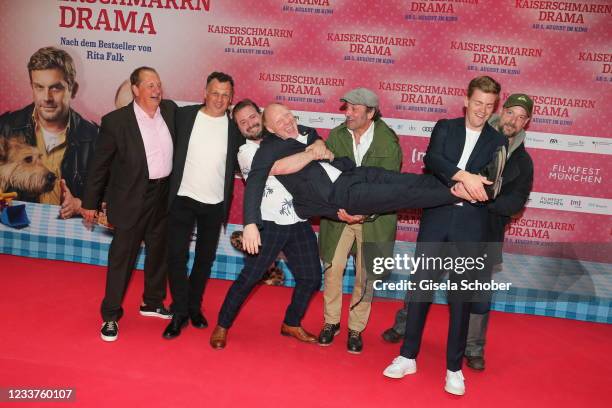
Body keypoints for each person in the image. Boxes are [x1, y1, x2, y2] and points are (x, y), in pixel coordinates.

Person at [381, 94, 534, 373]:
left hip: (485, 235)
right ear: (501, 112)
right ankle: (405, 328)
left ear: (526, 123)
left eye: (521, 117)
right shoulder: (479, 139)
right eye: (510, 112)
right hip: (448, 219)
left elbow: (514, 204)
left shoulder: (523, 162)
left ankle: (473, 348)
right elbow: (440, 168)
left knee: (473, 295)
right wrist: (465, 188)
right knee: (423, 280)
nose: (513, 120)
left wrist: (481, 198)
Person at [241, 103, 478, 256]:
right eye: (279, 121)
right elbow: (255, 181)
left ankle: (461, 181)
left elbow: (319, 149)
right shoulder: (269, 149)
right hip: (341, 195)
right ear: (270, 130)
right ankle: (458, 193)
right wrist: (251, 223)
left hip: (353, 173)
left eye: (287, 115)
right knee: (401, 195)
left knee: (406, 180)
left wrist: (321, 148)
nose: (286, 121)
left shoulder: (307, 131)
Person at [209, 99, 322, 349]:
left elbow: (311, 137)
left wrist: (316, 144)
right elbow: (280, 167)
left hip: (298, 220)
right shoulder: (246, 153)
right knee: (250, 278)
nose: (250, 124)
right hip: (268, 225)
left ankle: (291, 322)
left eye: (252, 117)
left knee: (311, 277)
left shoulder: (284, 139)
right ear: (238, 129)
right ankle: (222, 325)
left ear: (263, 119)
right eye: (242, 122)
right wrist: (311, 153)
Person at [82, 66, 177, 342]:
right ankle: (110, 315)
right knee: (122, 258)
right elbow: (100, 165)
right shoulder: (116, 122)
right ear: (135, 89)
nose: (156, 89)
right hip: (131, 197)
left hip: (163, 194)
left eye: (158, 84)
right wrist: (90, 202)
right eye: (149, 85)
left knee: (159, 251)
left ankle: (152, 301)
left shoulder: (170, 112)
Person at [317, 88, 402, 354]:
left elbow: (389, 190)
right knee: (332, 268)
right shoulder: (336, 135)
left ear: (371, 112)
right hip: (340, 217)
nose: (348, 113)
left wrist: (367, 213)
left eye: (354, 109)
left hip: (374, 220)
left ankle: (356, 327)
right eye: (347, 108)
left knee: (366, 276)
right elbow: (328, 178)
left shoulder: (388, 143)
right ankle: (331, 322)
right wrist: (338, 209)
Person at [162, 72, 244, 339]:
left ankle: (193, 307)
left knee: (204, 261)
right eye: (215, 92)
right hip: (182, 198)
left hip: (215, 204)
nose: (219, 99)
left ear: (231, 99)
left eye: (225, 94)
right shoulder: (184, 117)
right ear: (205, 93)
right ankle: (180, 311)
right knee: (176, 257)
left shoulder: (235, 130)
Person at [0, 46, 98, 218]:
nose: (46, 97)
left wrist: (80, 204)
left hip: (69, 236)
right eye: (39, 87)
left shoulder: (96, 137)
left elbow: (114, 197)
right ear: (31, 86)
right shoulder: (4, 128)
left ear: (73, 89)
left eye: (55, 88)